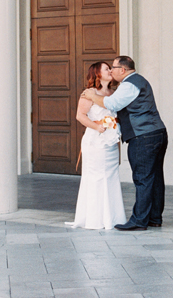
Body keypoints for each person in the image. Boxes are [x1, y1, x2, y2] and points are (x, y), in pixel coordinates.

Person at [82, 56, 167, 231]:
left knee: (143, 179)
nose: (111, 71)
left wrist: (92, 95)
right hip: (156, 133)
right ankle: (154, 217)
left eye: (113, 67)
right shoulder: (137, 81)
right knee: (155, 177)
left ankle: (139, 220)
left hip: (144, 137)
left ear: (123, 70)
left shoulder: (129, 84)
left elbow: (112, 104)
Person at [66, 61, 126, 230]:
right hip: (96, 141)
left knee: (111, 177)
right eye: (107, 69)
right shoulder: (89, 93)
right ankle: (95, 219)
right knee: (97, 177)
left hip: (111, 141)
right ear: (98, 74)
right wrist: (97, 126)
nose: (110, 71)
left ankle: (112, 217)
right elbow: (80, 115)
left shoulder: (113, 93)